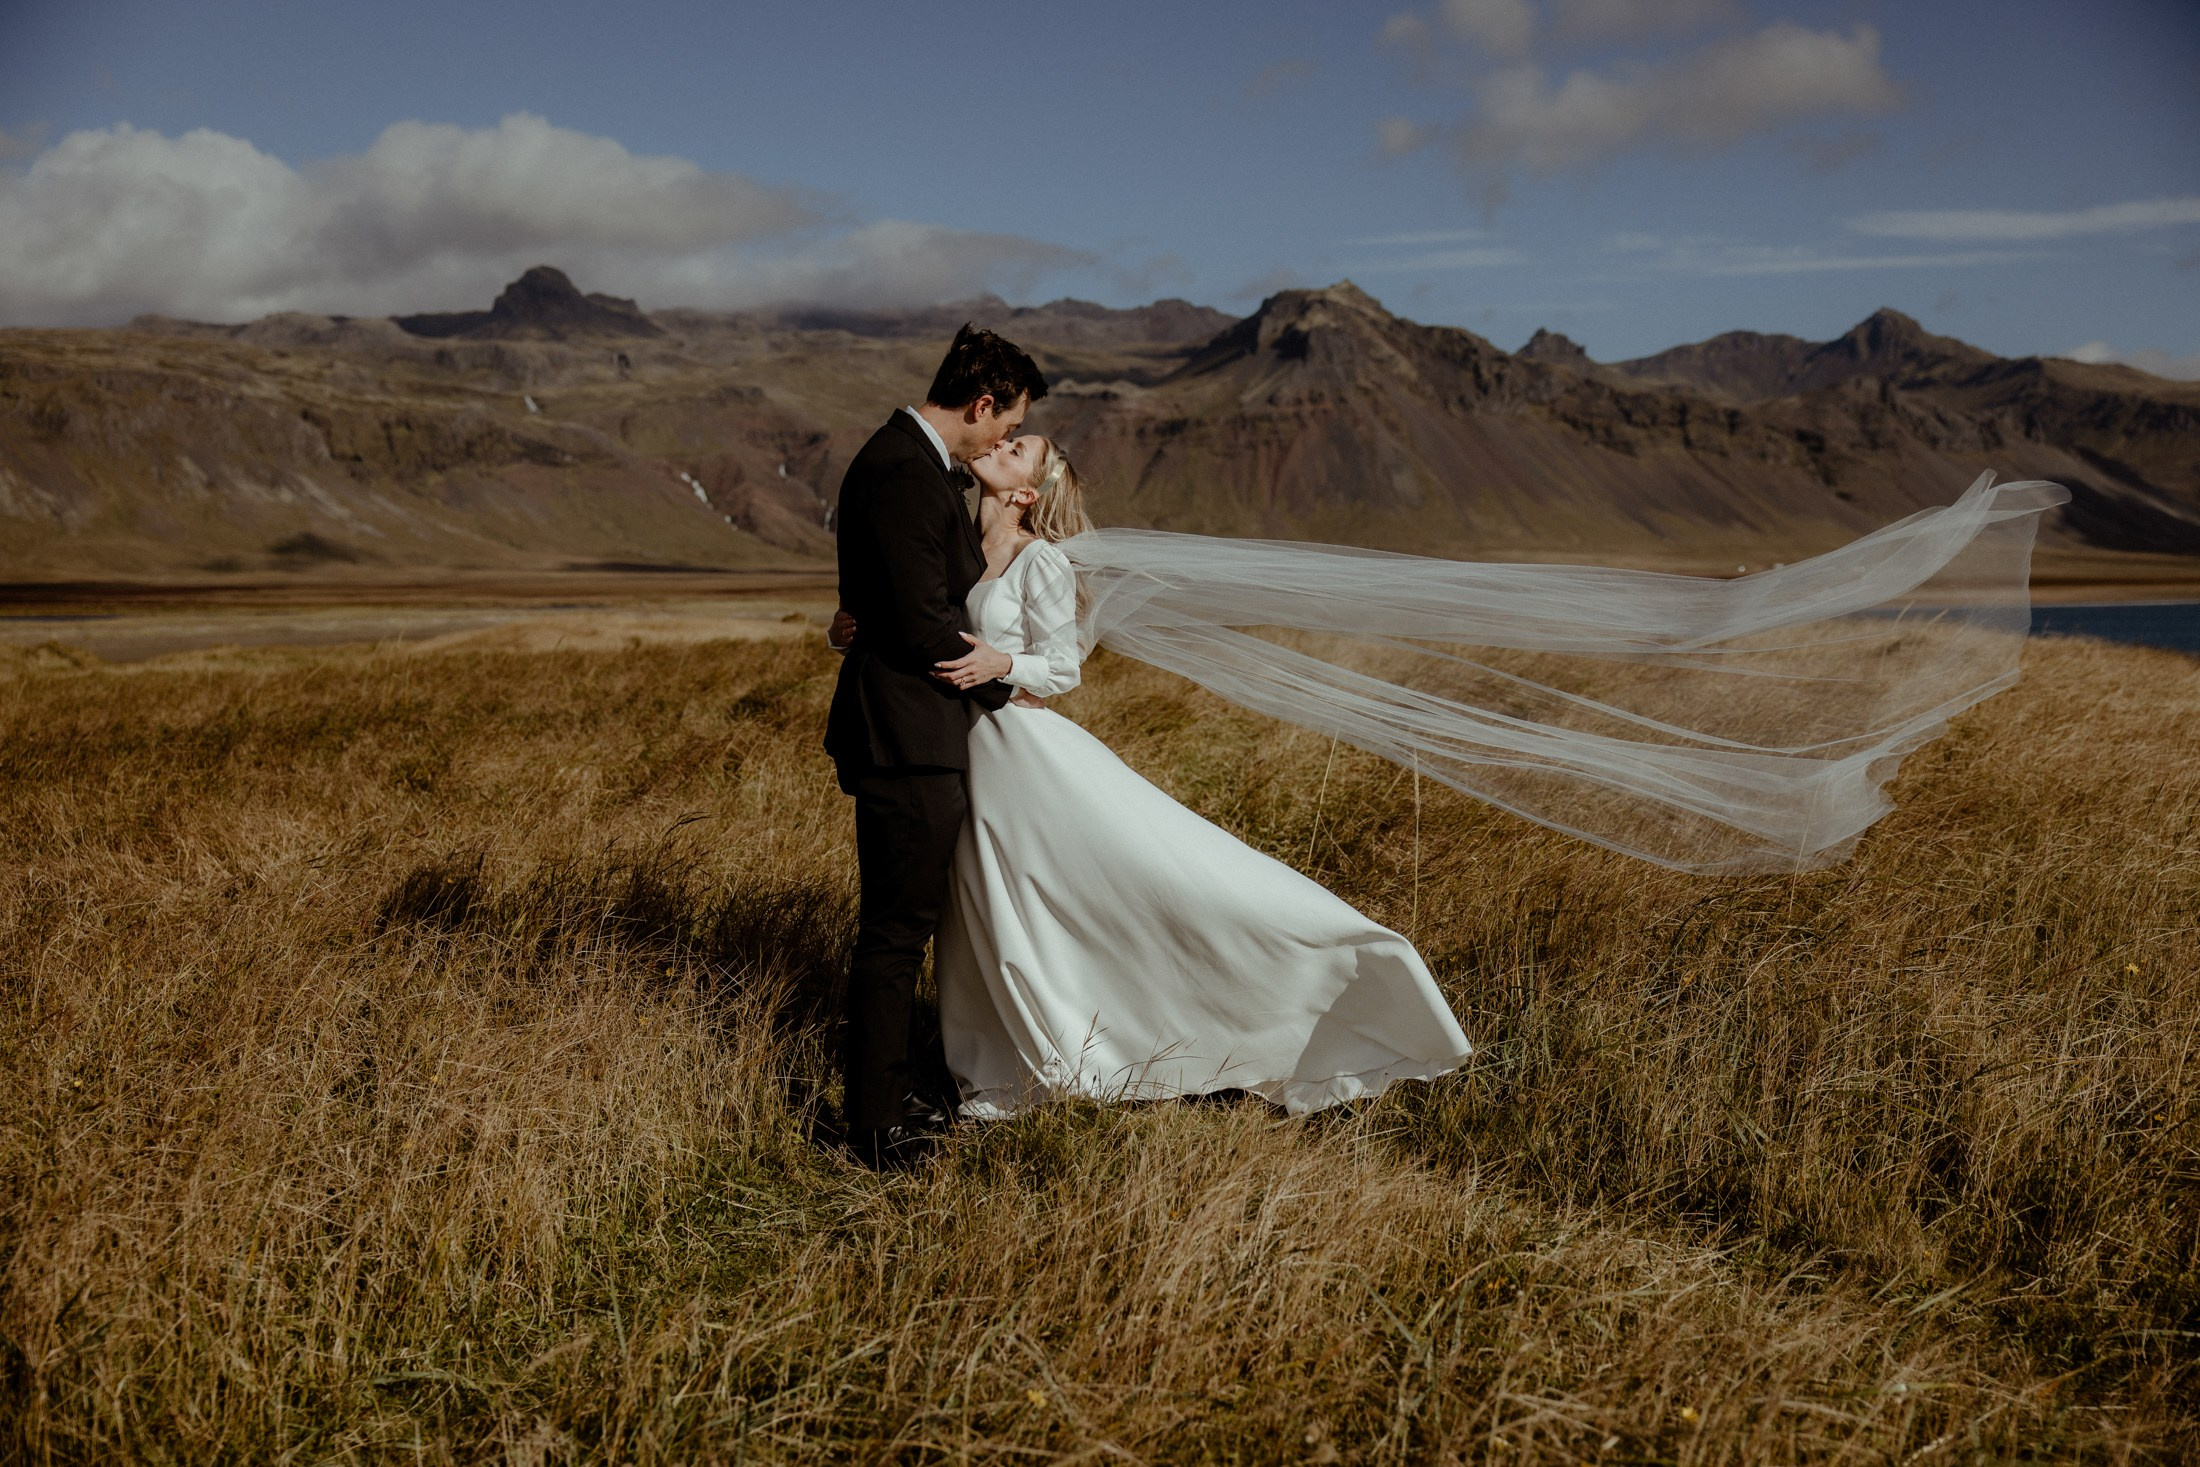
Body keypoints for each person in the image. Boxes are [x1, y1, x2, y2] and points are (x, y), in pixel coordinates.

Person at [849, 434, 1476, 1122]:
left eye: (1018, 446)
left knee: (1129, 886)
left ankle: (1316, 982)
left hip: (1022, 754)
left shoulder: (1042, 562)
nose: (1000, 441)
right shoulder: (960, 550)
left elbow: (1061, 668)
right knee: (990, 910)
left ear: (1028, 492)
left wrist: (1004, 665)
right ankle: (1008, 1062)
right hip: (966, 751)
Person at [823, 325, 1048, 1166]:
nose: (999, 440)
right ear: (981, 404)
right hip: (907, 735)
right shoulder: (902, 472)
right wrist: (1004, 690)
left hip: (916, 728)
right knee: (894, 933)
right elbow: (924, 623)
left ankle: (888, 1092)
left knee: (906, 926)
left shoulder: (913, 469)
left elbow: (896, 601)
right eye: (1004, 422)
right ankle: (875, 1127)